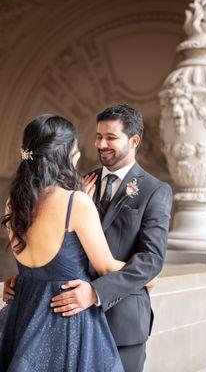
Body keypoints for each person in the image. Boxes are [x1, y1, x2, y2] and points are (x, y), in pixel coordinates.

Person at [48, 104, 173, 371]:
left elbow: (151, 260)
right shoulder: (78, 183)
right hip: (71, 319)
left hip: (123, 322)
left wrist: (96, 292)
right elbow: (53, 239)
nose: (101, 144)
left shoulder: (155, 191)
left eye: (111, 137)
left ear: (134, 140)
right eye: (98, 136)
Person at [0, 114, 125, 371]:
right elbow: (106, 267)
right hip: (67, 324)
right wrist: (147, 274)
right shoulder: (75, 203)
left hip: (22, 314)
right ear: (67, 155)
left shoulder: (13, 203)